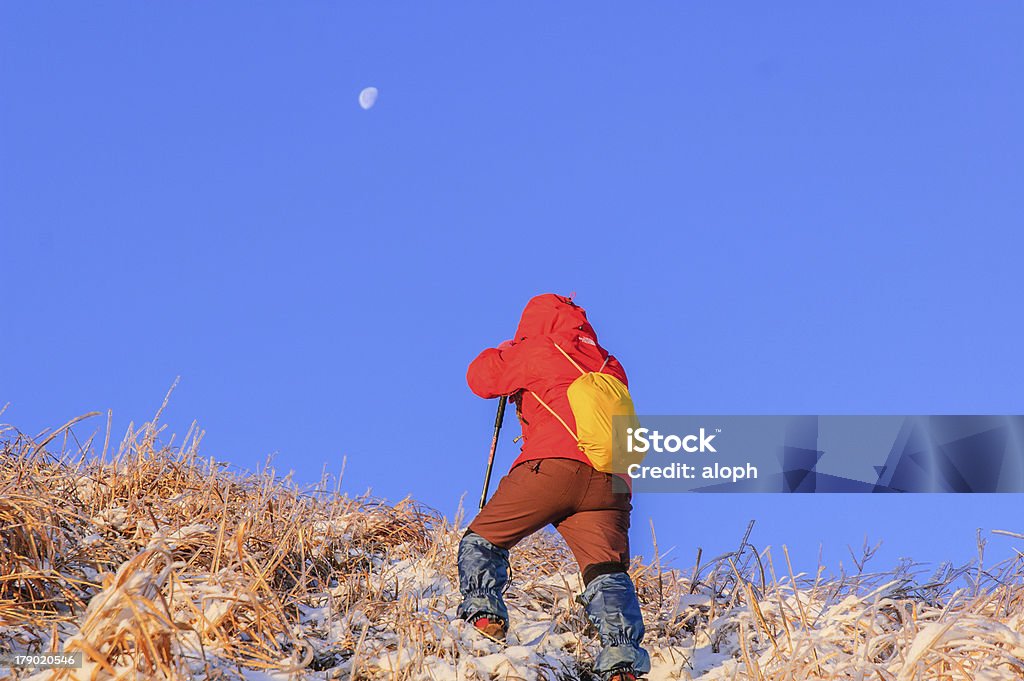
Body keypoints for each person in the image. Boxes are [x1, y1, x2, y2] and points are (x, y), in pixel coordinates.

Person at [457, 293, 651, 681]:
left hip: (553, 468)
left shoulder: (539, 349)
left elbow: (480, 377)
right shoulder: (610, 364)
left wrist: (509, 348)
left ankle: (484, 616)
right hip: (610, 481)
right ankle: (622, 664)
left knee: (482, 541)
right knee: (606, 572)